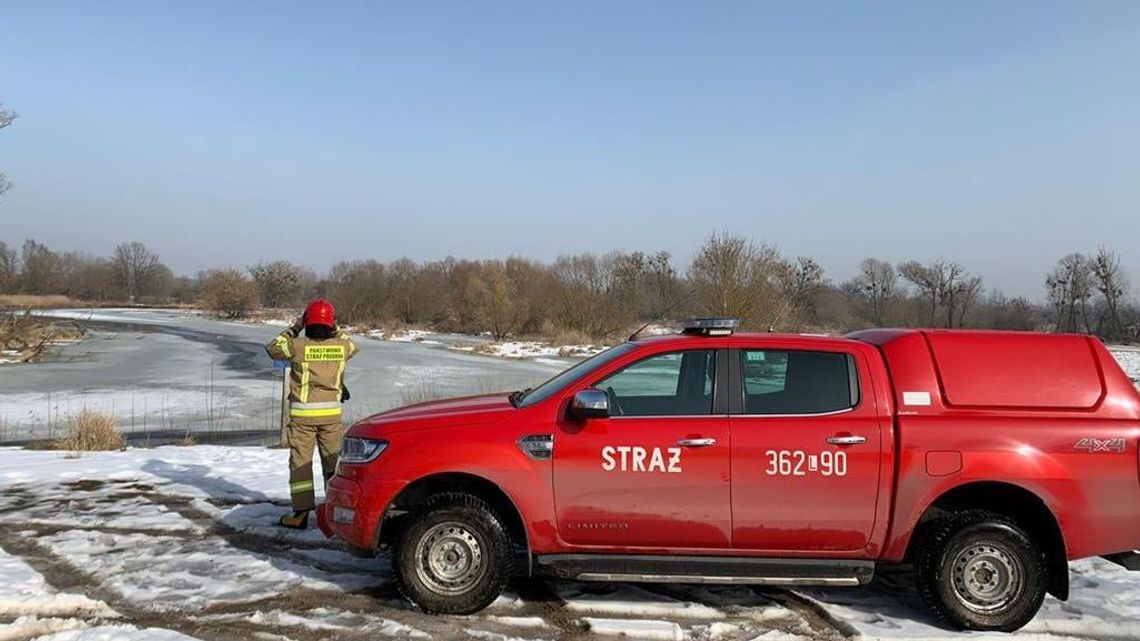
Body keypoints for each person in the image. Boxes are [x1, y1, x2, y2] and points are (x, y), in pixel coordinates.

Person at [265, 298, 358, 529]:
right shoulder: (342, 347)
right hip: (331, 418)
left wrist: (296, 326)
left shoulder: (297, 347)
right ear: (331, 323)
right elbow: (352, 344)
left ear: (308, 322)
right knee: (333, 465)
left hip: (303, 418)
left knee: (301, 466)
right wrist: (335, 327)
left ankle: (300, 515)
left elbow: (273, 347)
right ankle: (335, 513)